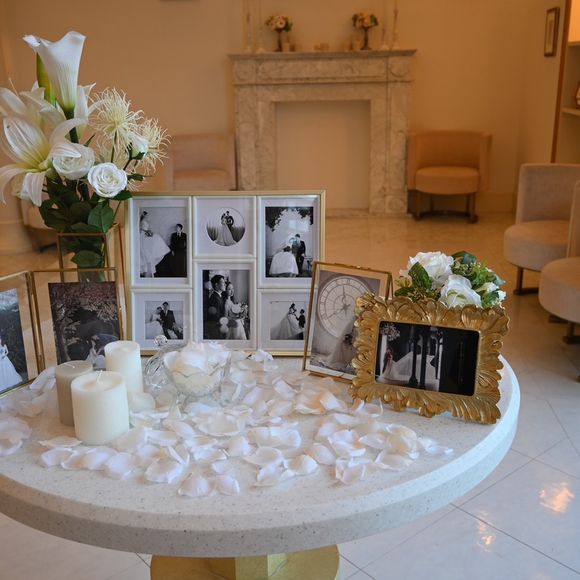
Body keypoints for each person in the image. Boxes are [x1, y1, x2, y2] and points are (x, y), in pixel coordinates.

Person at [139, 211, 170, 277]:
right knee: (146, 251)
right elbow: (142, 228)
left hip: (145, 234)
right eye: (146, 215)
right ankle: (146, 270)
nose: (147, 217)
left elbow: (147, 229)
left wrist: (149, 231)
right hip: (143, 235)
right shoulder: (142, 221)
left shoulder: (146, 221)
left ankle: (149, 271)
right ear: (144, 215)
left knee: (156, 239)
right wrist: (147, 231)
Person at [204, 274, 226, 339]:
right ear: (216, 284)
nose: (225, 284)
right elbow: (216, 318)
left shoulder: (219, 296)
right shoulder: (214, 298)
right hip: (216, 330)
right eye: (223, 282)